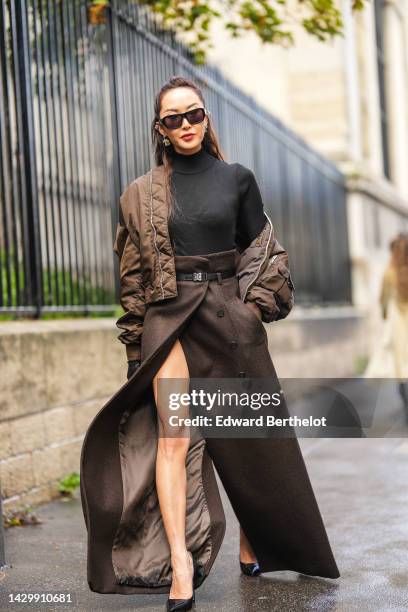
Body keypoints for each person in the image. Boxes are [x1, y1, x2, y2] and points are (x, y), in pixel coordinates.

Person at [80, 76, 340, 611]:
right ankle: (180, 564)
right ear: (161, 130)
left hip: (228, 318)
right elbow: (132, 277)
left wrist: (251, 312)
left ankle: (252, 541)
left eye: (193, 114)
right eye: (172, 119)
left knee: (244, 435)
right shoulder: (140, 193)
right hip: (168, 320)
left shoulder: (238, 179)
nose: (185, 125)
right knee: (174, 442)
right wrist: (136, 347)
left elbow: (265, 251)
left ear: (206, 116)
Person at [379, 232, 408, 419]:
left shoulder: (390, 273)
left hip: (399, 327)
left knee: (402, 370)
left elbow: (382, 300)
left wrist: (385, 315)